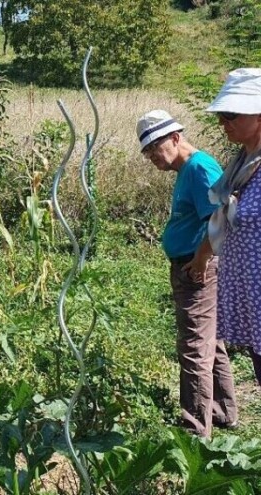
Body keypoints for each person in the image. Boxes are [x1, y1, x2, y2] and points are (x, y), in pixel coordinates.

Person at [136, 109, 238, 437]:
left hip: (197, 270)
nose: (151, 155)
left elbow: (223, 216)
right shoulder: (187, 170)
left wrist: (200, 260)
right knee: (211, 342)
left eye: (155, 147)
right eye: (146, 151)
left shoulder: (198, 167)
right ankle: (222, 411)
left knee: (194, 346)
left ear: (176, 138)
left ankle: (195, 430)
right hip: (193, 266)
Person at [204, 68, 261, 388]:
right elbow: (224, 220)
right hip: (252, 304)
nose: (222, 122)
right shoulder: (243, 163)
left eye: (230, 114)